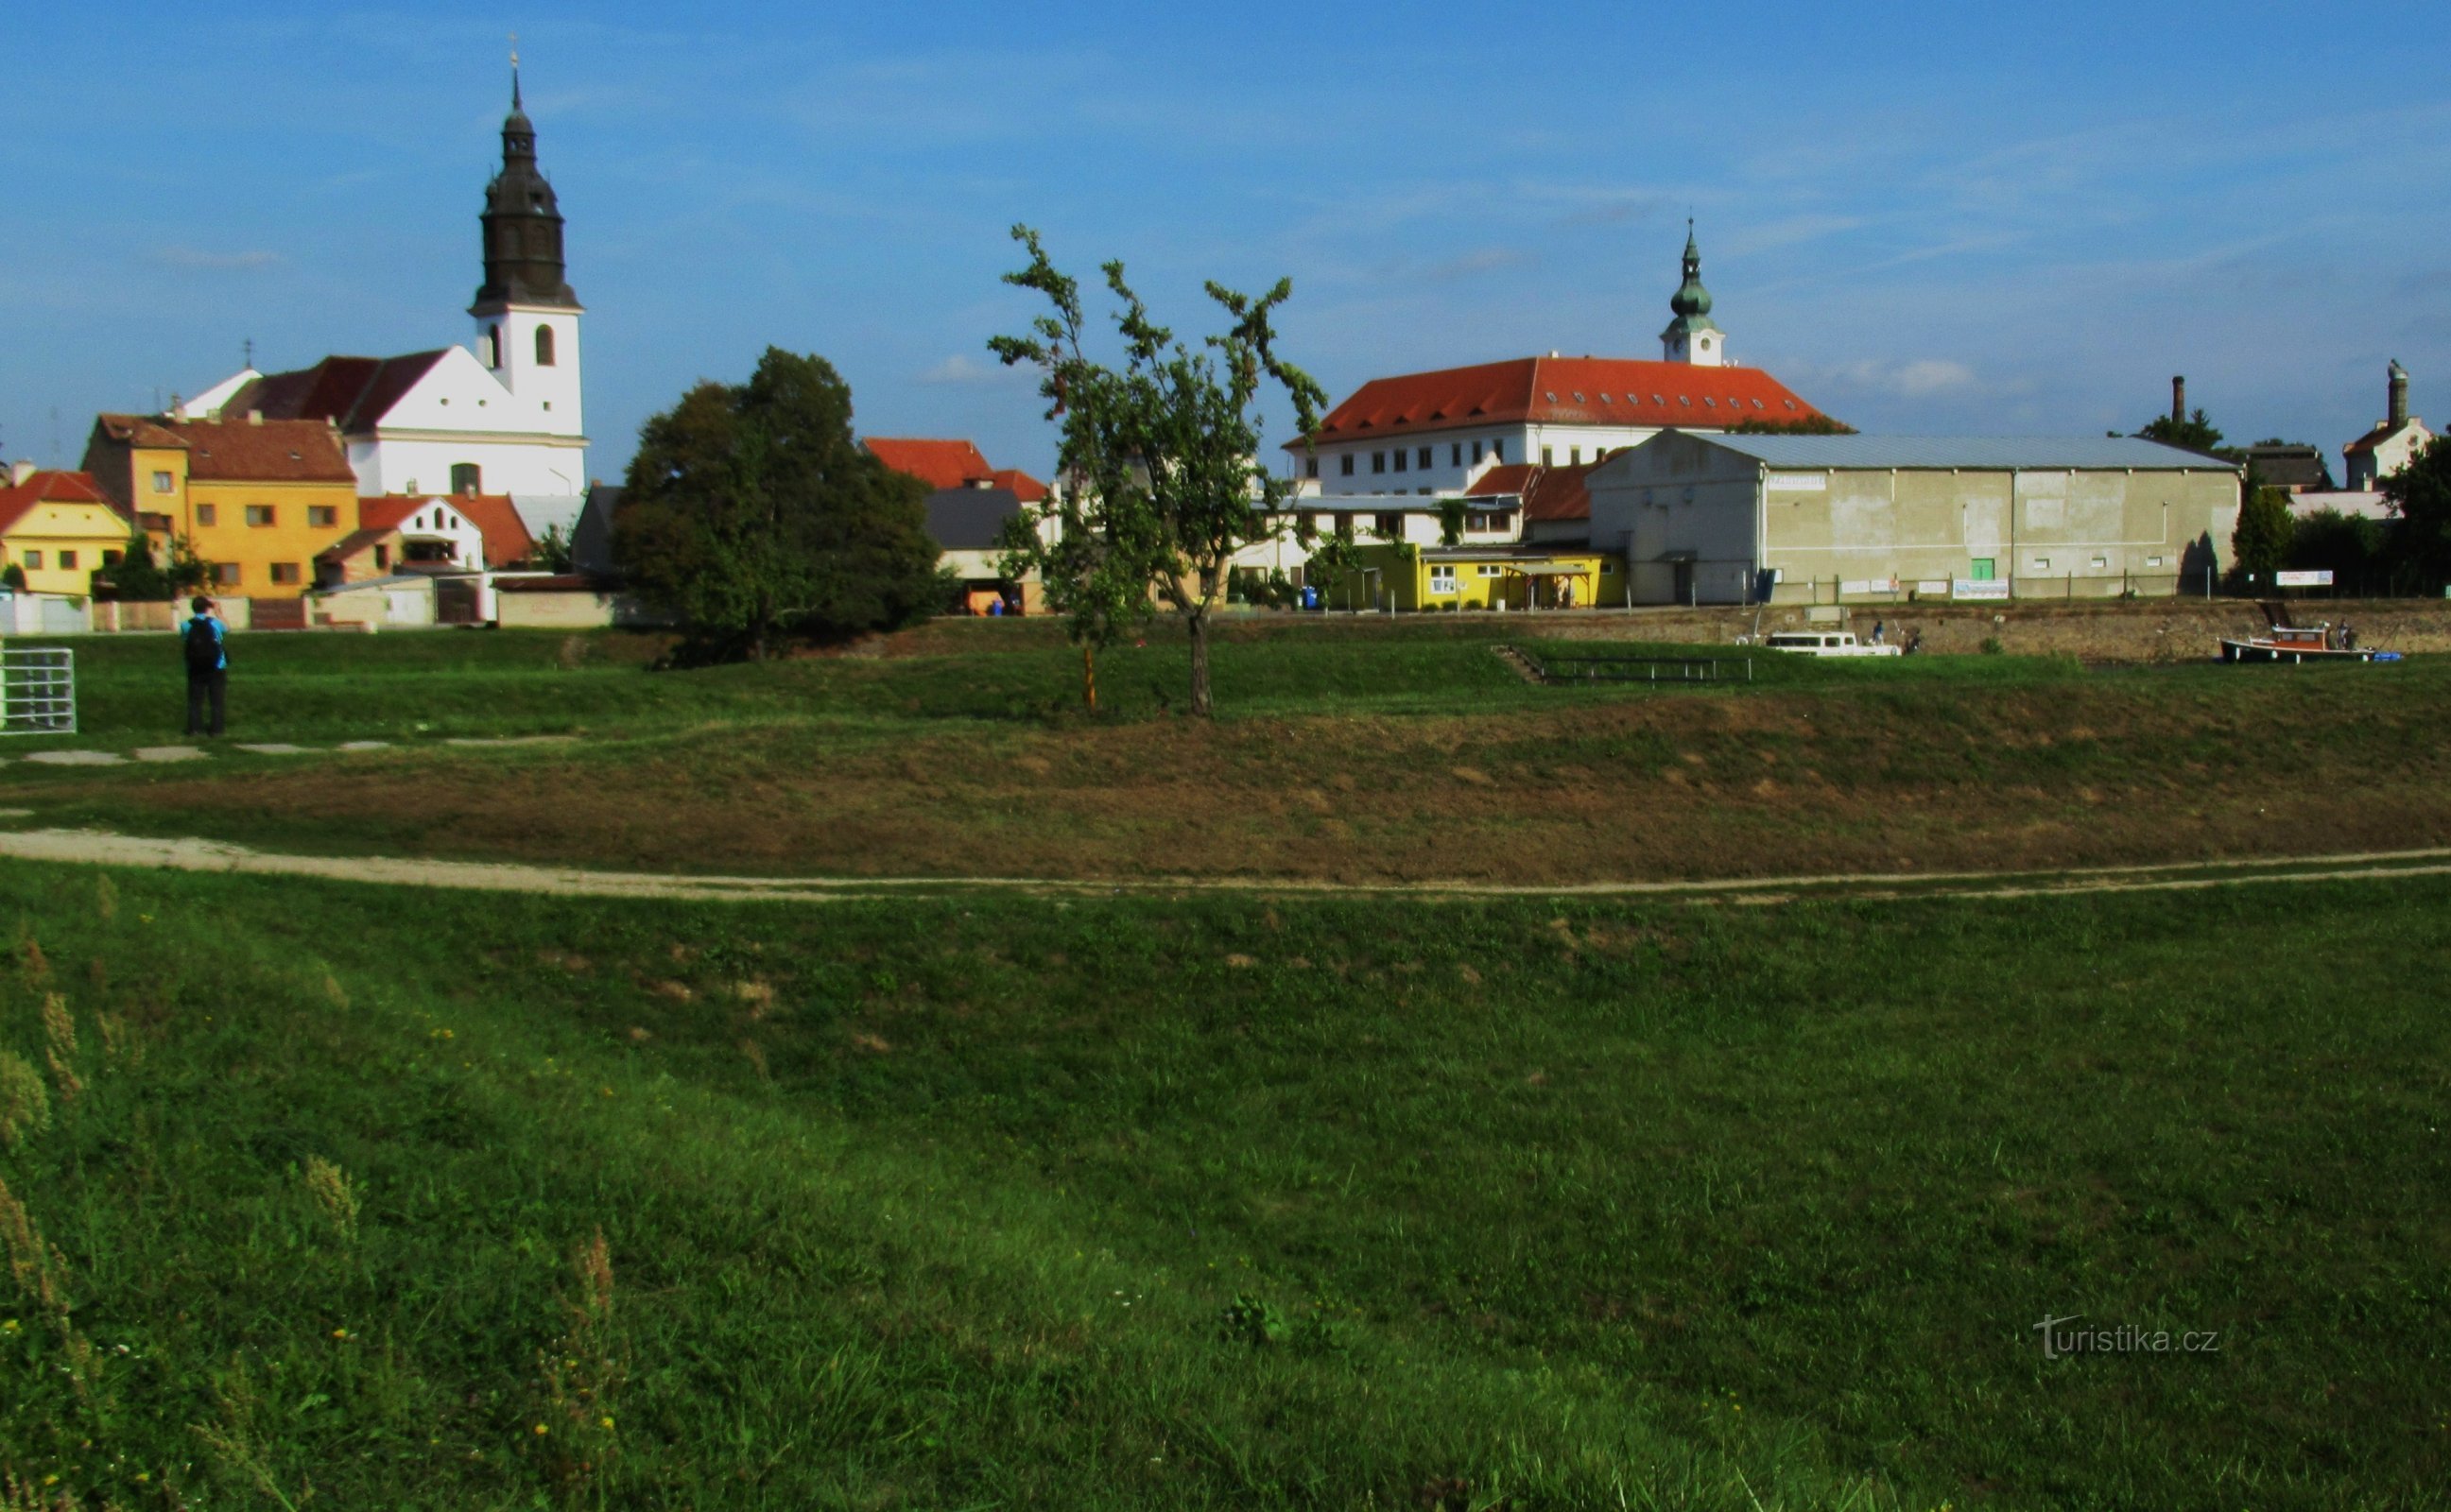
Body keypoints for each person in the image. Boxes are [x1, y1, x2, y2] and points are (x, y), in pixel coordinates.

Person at [181, 594, 228, 737]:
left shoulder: (186, 625)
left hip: (195, 666)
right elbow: (226, 629)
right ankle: (216, 729)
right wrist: (218, 612)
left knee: (195, 700)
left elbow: (185, 639)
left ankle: (195, 729)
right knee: (216, 700)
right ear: (207, 608)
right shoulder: (215, 623)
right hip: (216, 665)